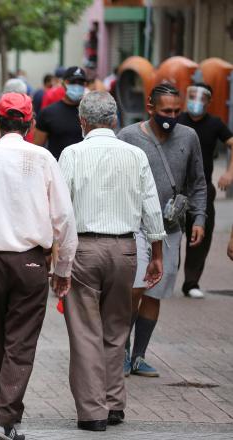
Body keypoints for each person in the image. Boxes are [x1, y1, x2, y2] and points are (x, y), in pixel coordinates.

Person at [0, 93, 77, 440]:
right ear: (30, 123)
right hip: (30, 263)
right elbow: (64, 218)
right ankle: (3, 417)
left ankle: (5, 416)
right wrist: (64, 268)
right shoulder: (42, 157)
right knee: (19, 344)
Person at [58, 92, 165, 432]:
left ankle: (93, 412)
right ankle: (114, 403)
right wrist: (157, 252)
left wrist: (57, 257)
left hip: (84, 250)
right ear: (116, 120)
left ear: (82, 122)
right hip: (125, 250)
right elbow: (151, 203)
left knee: (85, 332)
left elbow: (60, 210)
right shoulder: (135, 154)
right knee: (117, 329)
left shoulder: (72, 153)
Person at [117, 83, 206, 378]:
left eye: (176, 111)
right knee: (134, 290)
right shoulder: (128, 137)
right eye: (166, 111)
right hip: (136, 228)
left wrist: (199, 219)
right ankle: (123, 352)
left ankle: (140, 355)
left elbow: (198, 182)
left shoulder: (189, 137)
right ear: (151, 108)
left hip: (170, 228)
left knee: (155, 292)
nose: (172, 116)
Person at [178, 83, 233, 298]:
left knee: (201, 233)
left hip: (202, 188)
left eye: (202, 98)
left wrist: (229, 173)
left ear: (209, 102)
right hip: (175, 188)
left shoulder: (215, 123)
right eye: (192, 96)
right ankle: (165, 275)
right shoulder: (177, 120)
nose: (196, 102)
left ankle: (191, 282)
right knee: (169, 234)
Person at [33, 66, 87, 160]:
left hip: (85, 170)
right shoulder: (48, 113)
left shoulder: (90, 112)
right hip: (57, 171)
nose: (77, 86)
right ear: (64, 84)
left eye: (80, 83)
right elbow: (37, 149)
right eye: (73, 82)